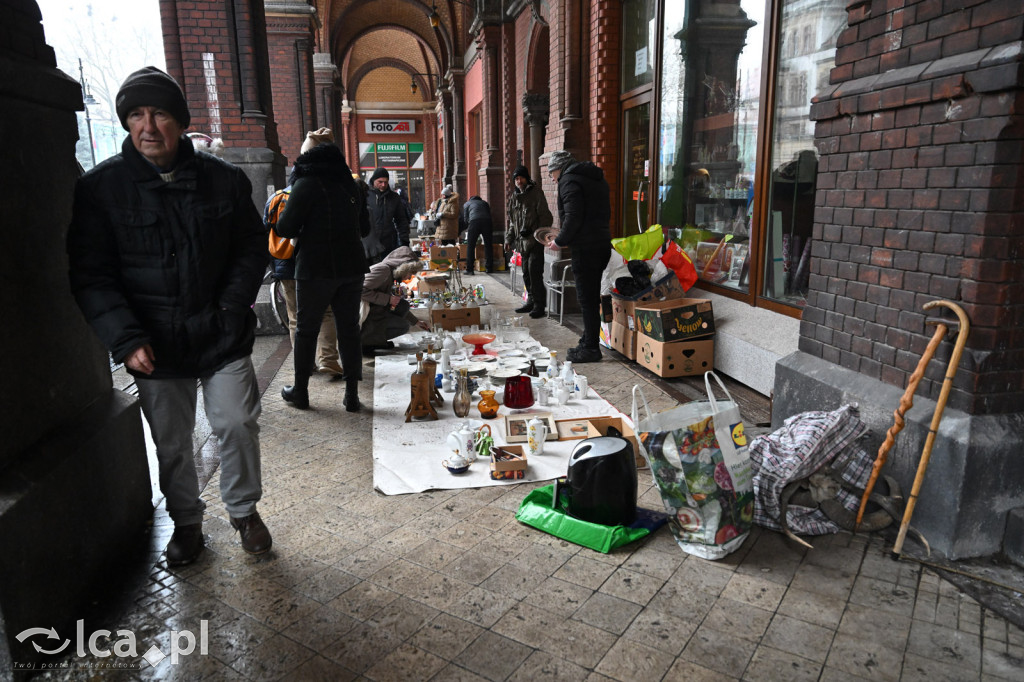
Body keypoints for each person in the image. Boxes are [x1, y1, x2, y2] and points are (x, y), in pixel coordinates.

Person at [67, 66, 272, 565]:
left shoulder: (222, 180)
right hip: (153, 345)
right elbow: (92, 275)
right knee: (172, 443)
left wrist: (231, 304)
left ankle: (243, 510)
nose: (148, 126)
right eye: (136, 115)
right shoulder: (101, 189)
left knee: (238, 422)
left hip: (220, 333)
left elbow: (251, 247)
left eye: (159, 113)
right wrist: (125, 337)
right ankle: (186, 522)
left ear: (179, 122)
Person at [275, 133, 371, 412]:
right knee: (349, 329)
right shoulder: (351, 187)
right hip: (352, 268)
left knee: (306, 330)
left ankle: (301, 391)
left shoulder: (305, 185)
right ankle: (351, 394)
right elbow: (364, 229)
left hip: (315, 268)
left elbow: (285, 228)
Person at [264, 129, 344, 377]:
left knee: (297, 317)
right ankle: (328, 359)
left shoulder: (279, 197)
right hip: (318, 263)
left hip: (286, 263)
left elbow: (269, 229)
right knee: (327, 312)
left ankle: (305, 364)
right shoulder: (332, 191)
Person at [548, 150, 612, 363]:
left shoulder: (569, 181)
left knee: (587, 299)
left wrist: (559, 241)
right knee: (591, 297)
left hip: (586, 248)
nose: (552, 177)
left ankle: (591, 348)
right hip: (601, 243)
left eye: (552, 173)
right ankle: (588, 339)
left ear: (559, 168)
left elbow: (574, 216)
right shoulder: (595, 178)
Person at [361, 246, 431, 353]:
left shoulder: (391, 274)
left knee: (403, 306)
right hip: (363, 312)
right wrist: (388, 299)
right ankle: (366, 342)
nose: (409, 278)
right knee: (402, 326)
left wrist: (416, 322)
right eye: (410, 273)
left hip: (374, 307)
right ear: (404, 268)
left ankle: (376, 340)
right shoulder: (384, 270)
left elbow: (396, 304)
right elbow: (360, 289)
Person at [505, 165, 553, 318]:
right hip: (521, 243)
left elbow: (546, 217)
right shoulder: (514, 198)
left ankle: (540, 305)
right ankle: (531, 301)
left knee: (534, 272)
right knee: (526, 272)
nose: (519, 181)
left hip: (535, 242)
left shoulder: (536, 194)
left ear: (526, 178)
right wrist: (508, 239)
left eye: (521, 178)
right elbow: (512, 222)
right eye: (516, 179)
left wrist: (533, 232)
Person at [364, 167, 410, 265]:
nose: (383, 185)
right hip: (369, 244)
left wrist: (404, 240)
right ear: (373, 180)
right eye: (380, 182)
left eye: (386, 182)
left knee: (388, 272)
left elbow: (401, 220)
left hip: (388, 243)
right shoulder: (365, 195)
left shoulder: (394, 198)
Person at [460, 194, 494, 275]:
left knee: (471, 246)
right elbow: (489, 214)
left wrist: (470, 226)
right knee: (488, 245)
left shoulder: (467, 204)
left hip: (474, 222)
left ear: (470, 199)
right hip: (487, 222)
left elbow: (465, 219)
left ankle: (470, 269)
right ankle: (489, 268)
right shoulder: (485, 203)